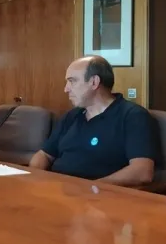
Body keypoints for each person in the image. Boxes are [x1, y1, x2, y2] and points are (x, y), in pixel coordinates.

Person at [29, 56, 159, 186]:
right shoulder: (72, 116)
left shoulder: (133, 116)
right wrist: (34, 179)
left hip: (99, 194)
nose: (66, 89)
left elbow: (142, 171)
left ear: (94, 82)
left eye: (72, 81)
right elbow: (44, 155)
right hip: (58, 188)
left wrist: (91, 187)